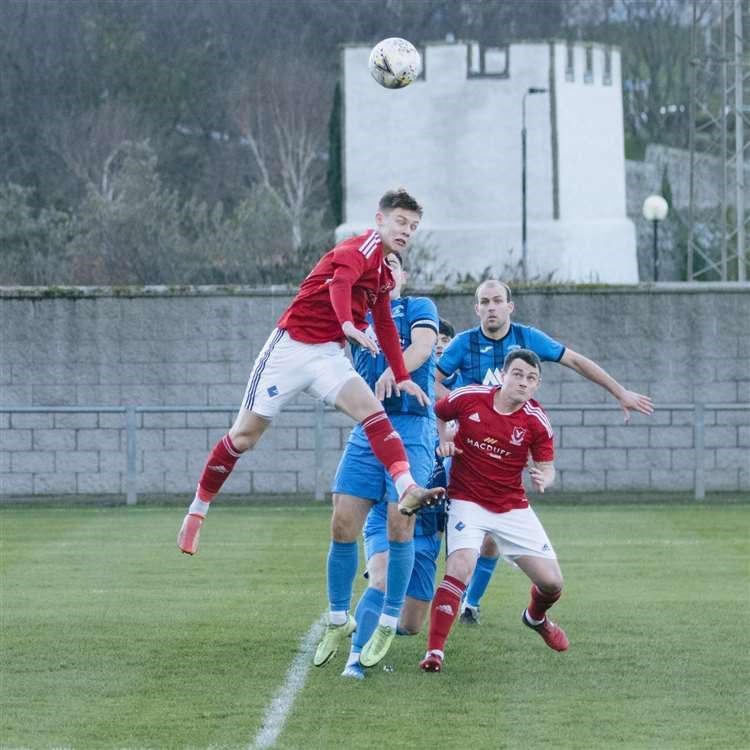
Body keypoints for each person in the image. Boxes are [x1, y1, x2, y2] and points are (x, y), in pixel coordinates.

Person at [176, 188, 444, 556]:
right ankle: (197, 511)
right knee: (243, 438)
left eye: (413, 227)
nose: (406, 231)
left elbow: (383, 322)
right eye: (401, 222)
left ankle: (406, 487)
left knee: (373, 412)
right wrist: (348, 324)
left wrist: (401, 374)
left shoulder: (384, 271)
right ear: (379, 219)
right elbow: (340, 283)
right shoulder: (360, 247)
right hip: (291, 348)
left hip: (327, 356)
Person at [435, 279, 654, 624]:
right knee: (444, 525)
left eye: (497, 301)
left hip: (509, 449)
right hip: (467, 451)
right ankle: (424, 586)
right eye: (484, 302)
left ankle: (469, 603)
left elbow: (576, 361)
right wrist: (448, 425)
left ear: (510, 306)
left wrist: (619, 391)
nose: (491, 307)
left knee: (492, 536)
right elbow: (433, 379)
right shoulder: (463, 343)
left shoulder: (528, 338)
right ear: (476, 309)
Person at [315, 251, 440, 678]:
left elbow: (423, 345)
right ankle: (338, 620)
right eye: (379, 264)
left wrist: (395, 368)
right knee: (341, 521)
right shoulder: (354, 317)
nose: (387, 271)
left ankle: (385, 624)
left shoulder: (418, 307)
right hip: (369, 427)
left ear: (401, 274)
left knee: (399, 521)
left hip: (412, 428)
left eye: (394, 264)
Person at [420, 348, 567, 673]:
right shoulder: (470, 398)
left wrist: (546, 476)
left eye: (531, 379)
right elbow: (439, 412)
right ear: (502, 375)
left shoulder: (536, 420)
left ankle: (535, 618)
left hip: (511, 506)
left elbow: (548, 466)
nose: (523, 383)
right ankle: (434, 652)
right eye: (517, 374)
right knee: (460, 566)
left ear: (536, 386)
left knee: (553, 583)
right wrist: (444, 440)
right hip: (466, 500)